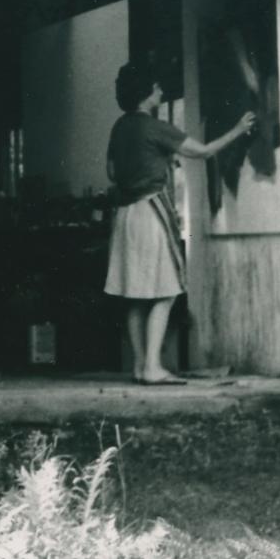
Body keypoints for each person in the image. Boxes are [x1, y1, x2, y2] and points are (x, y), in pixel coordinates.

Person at [105, 62, 256, 384]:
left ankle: (139, 365)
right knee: (165, 291)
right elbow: (201, 152)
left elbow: (112, 172)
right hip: (150, 211)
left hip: (126, 215)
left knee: (135, 294)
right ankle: (153, 368)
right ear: (146, 94)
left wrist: (149, 163)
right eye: (157, 88)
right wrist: (238, 130)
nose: (161, 91)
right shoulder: (153, 126)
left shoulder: (120, 126)